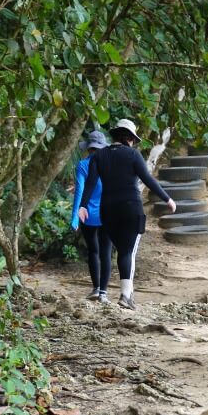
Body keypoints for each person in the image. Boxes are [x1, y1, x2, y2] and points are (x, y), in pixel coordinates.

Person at [79, 119, 176, 310]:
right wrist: (167, 199)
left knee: (117, 250)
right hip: (131, 209)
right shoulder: (133, 154)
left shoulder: (99, 156)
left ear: (114, 135)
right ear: (130, 138)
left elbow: (90, 183)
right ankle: (126, 296)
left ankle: (120, 293)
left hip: (107, 211)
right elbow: (147, 179)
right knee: (127, 251)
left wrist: (83, 206)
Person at [70, 130, 113, 303]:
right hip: (108, 213)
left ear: (88, 148)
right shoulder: (110, 164)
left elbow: (80, 191)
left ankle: (96, 288)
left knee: (93, 251)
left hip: (87, 214)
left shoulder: (83, 165)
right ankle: (103, 293)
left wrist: (75, 217)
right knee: (106, 252)